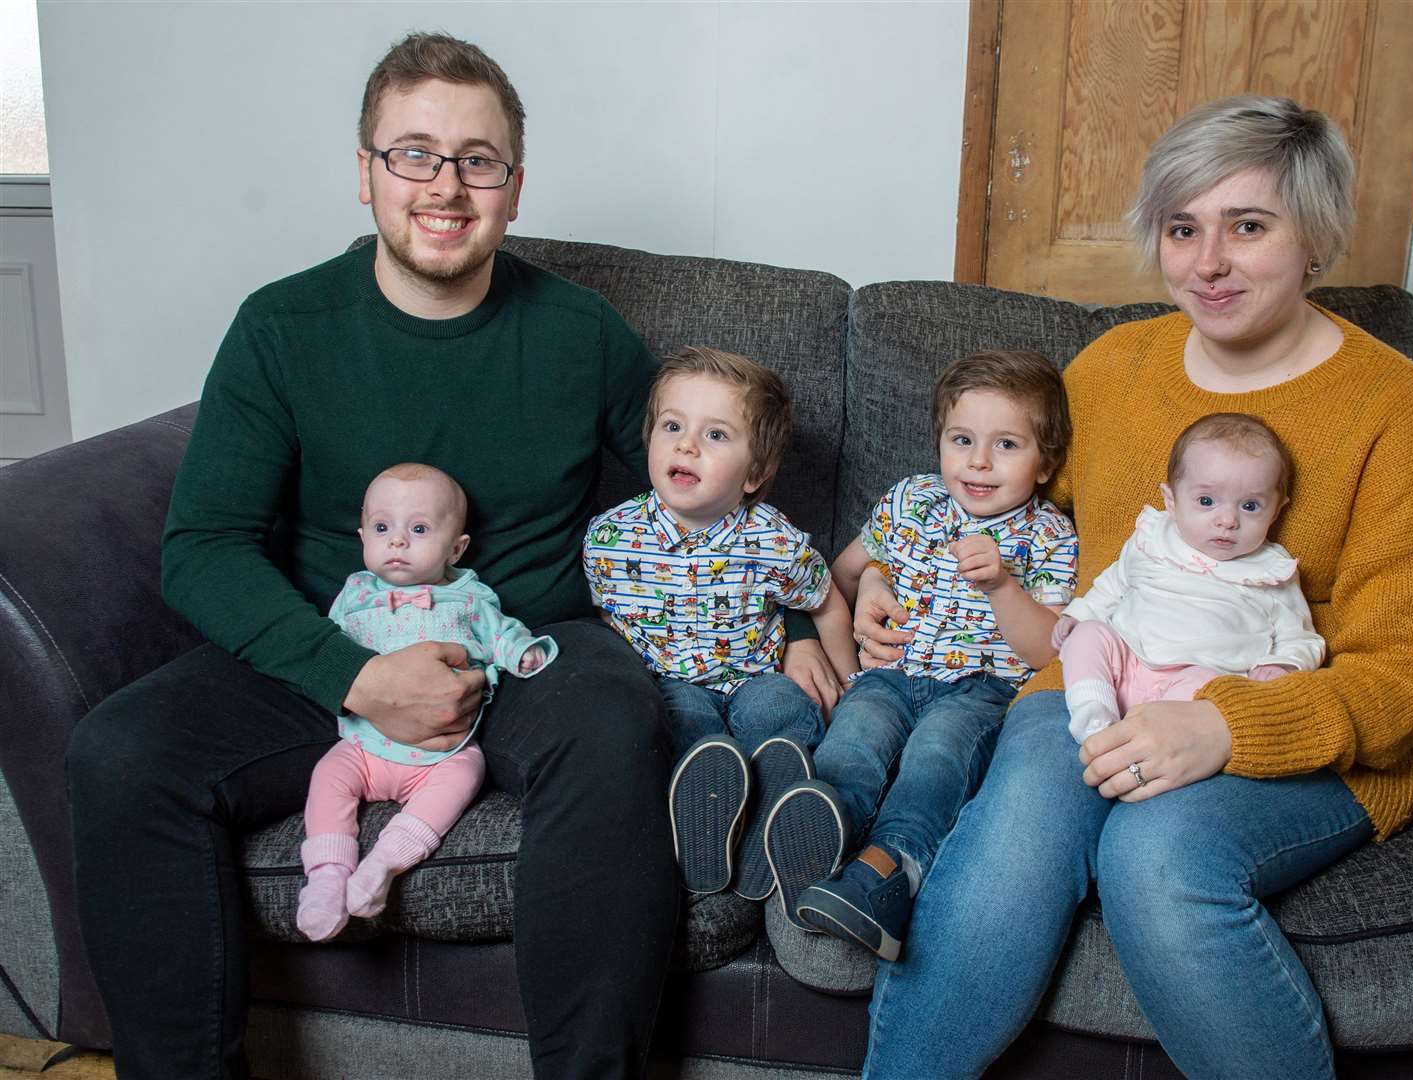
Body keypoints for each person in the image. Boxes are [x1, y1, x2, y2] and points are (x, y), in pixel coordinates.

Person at [63, 32, 840, 1079]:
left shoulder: (580, 334)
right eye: (415, 153)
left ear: (514, 188)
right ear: (365, 173)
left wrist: (801, 618)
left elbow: (708, 478)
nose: (446, 186)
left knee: (619, 725)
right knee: (119, 755)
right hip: (323, 646)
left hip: (527, 650)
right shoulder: (282, 328)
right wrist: (358, 676)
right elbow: (204, 548)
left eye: (479, 159)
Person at [856, 96, 1413, 1078]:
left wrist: (1229, 727)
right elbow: (988, 502)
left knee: (1154, 858)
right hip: (1096, 688)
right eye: (1184, 229)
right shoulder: (1112, 370)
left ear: (1317, 237)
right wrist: (882, 573)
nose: (1209, 261)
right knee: (1015, 840)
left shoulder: (1398, 409)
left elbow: (1408, 671)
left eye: (1249, 227)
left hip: (1294, 722)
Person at [762, 350, 1078, 961]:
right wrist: (873, 584)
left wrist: (1003, 587)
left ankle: (886, 874)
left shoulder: (1050, 535)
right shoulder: (912, 500)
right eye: (962, 439)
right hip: (891, 674)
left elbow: (1047, 650)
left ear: (1047, 463)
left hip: (980, 690)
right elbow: (840, 576)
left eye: (1007, 444)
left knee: (935, 759)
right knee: (852, 743)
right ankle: (810, 841)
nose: (979, 461)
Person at [583, 346, 859, 900]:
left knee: (782, 709)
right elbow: (605, 621)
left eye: (715, 436)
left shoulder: (773, 539)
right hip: (670, 681)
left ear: (755, 474)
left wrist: (853, 682)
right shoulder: (610, 538)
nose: (685, 444)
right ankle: (707, 823)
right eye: (672, 425)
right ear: (649, 439)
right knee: (682, 725)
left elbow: (824, 599)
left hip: (755, 674)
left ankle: (773, 819)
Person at [298, 462, 555, 943]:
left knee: (465, 775)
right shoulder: (354, 595)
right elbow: (325, 649)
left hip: (441, 754)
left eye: (418, 529)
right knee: (327, 777)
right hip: (363, 746)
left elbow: (501, 635)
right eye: (381, 528)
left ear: (455, 547)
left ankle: (384, 864)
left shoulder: (470, 598)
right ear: (362, 537)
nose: (397, 541)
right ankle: (328, 875)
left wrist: (522, 653)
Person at [1058, 412, 1324, 745]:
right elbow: (1113, 584)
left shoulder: (1270, 571)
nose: (1227, 520)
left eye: (1251, 506)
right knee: (1087, 636)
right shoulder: (1152, 538)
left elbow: (1299, 637)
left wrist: (1283, 665)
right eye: (1206, 501)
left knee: (1213, 689)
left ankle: (1151, 740)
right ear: (1171, 500)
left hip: (1195, 684)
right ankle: (1094, 716)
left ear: (1277, 509)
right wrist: (1080, 613)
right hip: (1127, 660)